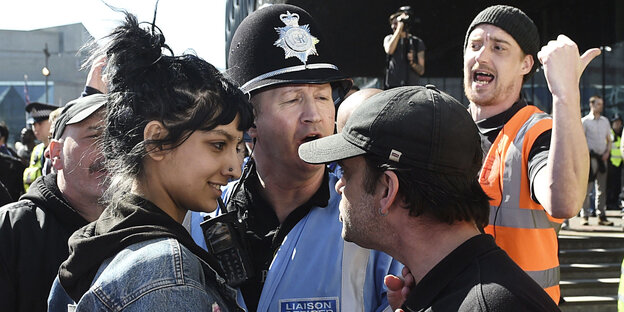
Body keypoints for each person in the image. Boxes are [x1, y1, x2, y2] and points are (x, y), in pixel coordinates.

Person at [190, 4, 401, 312]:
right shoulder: (198, 216)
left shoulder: (372, 216)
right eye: (292, 99)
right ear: (249, 120)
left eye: (322, 96)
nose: (313, 115)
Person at [50, 13, 251, 311]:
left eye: (238, 148)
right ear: (156, 141)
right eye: (218, 145)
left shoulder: (97, 241)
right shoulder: (166, 272)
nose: (233, 168)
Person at [298, 85, 560, 311]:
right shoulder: (464, 292)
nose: (339, 185)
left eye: (346, 172)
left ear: (388, 189)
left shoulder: (484, 305)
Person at [461, 5, 599, 302]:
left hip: (525, 305)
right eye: (474, 45)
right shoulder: (446, 129)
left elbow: (564, 201)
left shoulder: (537, 131)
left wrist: (565, 95)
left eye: (498, 47)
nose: (481, 56)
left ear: (526, 64)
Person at [0, 94, 108, 312]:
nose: (111, 149)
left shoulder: (140, 229)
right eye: (96, 136)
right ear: (56, 154)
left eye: (120, 138)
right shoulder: (11, 230)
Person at [581, 95, 615, 226]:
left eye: (601, 104)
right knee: (587, 188)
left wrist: (607, 152)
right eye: (599, 104)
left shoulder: (605, 121)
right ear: (592, 105)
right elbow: (580, 140)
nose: (601, 106)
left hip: (603, 158)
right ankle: (585, 215)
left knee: (602, 188)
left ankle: (601, 215)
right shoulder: (585, 121)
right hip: (590, 159)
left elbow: (609, 139)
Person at [383, 6, 425, 89]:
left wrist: (412, 63)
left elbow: (421, 70)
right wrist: (399, 29)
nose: (393, 26)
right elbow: (389, 50)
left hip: (412, 88)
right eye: (393, 24)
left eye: (396, 23)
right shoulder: (388, 38)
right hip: (392, 87)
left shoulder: (417, 42)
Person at [23, 102, 58, 191]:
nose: (36, 128)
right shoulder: (37, 150)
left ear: (53, 121)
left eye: (40, 123)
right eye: (33, 124)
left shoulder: (61, 148)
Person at [607, 115, 623, 211]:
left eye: (619, 122)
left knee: (618, 185)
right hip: (611, 163)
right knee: (610, 185)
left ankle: (615, 202)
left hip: (620, 163)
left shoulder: (621, 133)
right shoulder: (610, 133)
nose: (617, 124)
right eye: (615, 122)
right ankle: (609, 203)